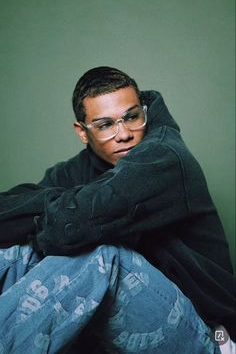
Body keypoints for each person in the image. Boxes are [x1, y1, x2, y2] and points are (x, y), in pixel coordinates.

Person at [0, 66, 235, 354]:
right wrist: (67, 207)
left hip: (203, 334)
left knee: (102, 255)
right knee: (17, 255)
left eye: (131, 117)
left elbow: (67, 225)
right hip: (121, 338)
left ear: (144, 113)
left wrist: (66, 212)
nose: (123, 134)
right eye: (105, 125)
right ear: (83, 132)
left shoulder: (165, 158)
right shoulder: (76, 169)